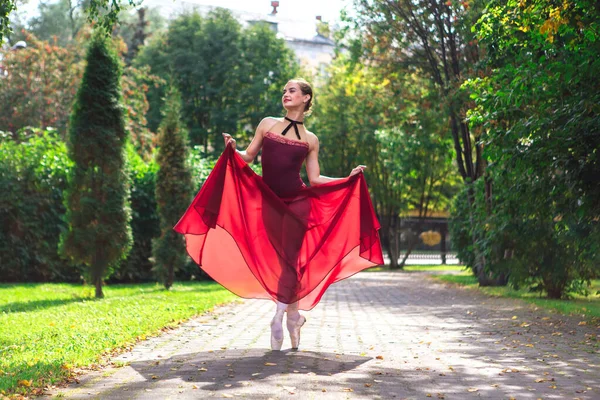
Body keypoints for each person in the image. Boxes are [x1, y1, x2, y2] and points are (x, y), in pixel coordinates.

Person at [174, 78, 383, 351]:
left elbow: (315, 179)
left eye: (292, 90)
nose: (286, 94)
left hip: (297, 203)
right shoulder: (267, 124)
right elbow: (247, 156)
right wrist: (232, 148)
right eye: (284, 91)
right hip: (268, 202)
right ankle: (294, 317)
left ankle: (277, 316)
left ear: (306, 98)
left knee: (290, 261)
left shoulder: (311, 139)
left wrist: (347, 178)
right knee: (283, 262)